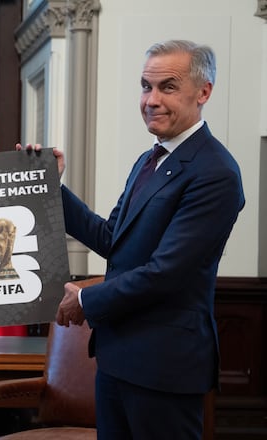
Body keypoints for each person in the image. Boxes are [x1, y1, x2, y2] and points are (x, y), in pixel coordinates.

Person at [18, 40, 244, 439]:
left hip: (165, 369)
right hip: (116, 359)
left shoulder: (216, 172)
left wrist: (85, 299)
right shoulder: (150, 160)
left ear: (204, 92)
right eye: (145, 86)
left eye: (167, 87)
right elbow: (112, 238)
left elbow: (166, 273)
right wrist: (51, 188)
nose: (151, 100)